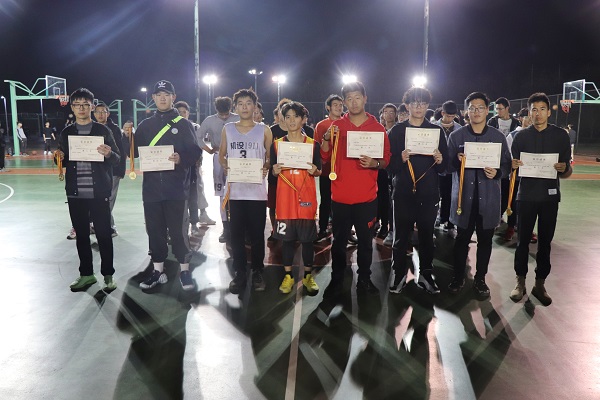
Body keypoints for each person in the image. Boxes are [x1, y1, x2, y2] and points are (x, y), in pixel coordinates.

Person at [127, 80, 201, 291]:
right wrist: (127, 137)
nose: (162, 98)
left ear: (173, 97)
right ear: (153, 98)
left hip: (176, 189)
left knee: (179, 232)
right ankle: (158, 271)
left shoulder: (183, 124)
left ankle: (185, 270)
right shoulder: (145, 125)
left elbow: (195, 152)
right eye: (158, 94)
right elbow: (132, 153)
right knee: (155, 231)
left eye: (166, 94)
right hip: (151, 190)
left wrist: (181, 158)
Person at [320, 81, 391, 295]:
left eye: (357, 97)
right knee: (339, 242)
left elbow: (386, 159)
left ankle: (364, 279)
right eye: (349, 99)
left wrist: (375, 163)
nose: (353, 102)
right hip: (340, 197)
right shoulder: (336, 127)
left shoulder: (377, 128)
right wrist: (325, 139)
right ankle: (337, 279)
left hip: (366, 198)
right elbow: (324, 156)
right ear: (344, 102)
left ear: (365, 99)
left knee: (366, 243)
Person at [446, 92, 512, 298]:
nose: (476, 111)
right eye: (472, 108)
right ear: (466, 111)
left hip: (488, 200)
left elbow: (507, 166)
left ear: (487, 110)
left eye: (480, 107)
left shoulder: (498, 137)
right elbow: (447, 167)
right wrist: (456, 161)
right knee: (461, 240)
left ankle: (480, 279)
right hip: (464, 199)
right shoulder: (456, 137)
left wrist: (498, 173)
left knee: (485, 241)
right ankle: (458, 276)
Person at [509, 92, 572, 306]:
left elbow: (567, 170)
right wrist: (513, 166)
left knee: (545, 243)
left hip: (549, 198)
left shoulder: (560, 136)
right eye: (534, 109)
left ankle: (540, 283)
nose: (538, 113)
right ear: (529, 112)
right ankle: (520, 282)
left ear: (548, 112)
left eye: (542, 109)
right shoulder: (520, 137)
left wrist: (564, 168)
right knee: (522, 242)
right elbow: (512, 168)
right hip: (525, 196)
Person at [56, 88, 120, 292]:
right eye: (77, 105)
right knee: (82, 236)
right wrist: (58, 157)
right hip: (75, 193)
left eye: (85, 104)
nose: (81, 108)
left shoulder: (103, 131)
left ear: (92, 107)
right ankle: (86, 274)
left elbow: (117, 158)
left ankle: (108, 275)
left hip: (99, 192)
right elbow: (62, 160)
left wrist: (109, 153)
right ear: (72, 107)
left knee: (104, 235)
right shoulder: (67, 132)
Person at [387, 86, 447, 294]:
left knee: (427, 236)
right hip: (403, 193)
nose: (419, 107)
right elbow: (389, 167)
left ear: (427, 105)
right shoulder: (397, 131)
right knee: (400, 238)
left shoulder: (436, 131)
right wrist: (399, 159)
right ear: (407, 106)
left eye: (422, 103)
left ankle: (426, 274)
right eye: (414, 103)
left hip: (428, 194)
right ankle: (399, 274)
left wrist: (440, 160)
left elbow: (444, 168)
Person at [219, 88, 273, 294]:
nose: (244, 107)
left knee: (258, 235)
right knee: (236, 236)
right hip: (235, 192)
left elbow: (269, 157)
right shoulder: (228, 129)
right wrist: (225, 166)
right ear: (235, 107)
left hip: (257, 192)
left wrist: (266, 166)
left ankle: (258, 270)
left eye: (248, 103)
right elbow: (221, 155)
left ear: (255, 106)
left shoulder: (264, 130)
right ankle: (240, 272)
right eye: (240, 103)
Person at [271, 101, 321, 294]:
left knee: (307, 241)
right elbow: (272, 174)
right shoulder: (277, 145)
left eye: (296, 116)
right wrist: (274, 171)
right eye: (288, 117)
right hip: (285, 201)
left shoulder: (313, 145)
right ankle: (288, 276)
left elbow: (319, 171)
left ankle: (308, 275)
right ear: (283, 120)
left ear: (303, 119)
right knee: (287, 241)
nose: (292, 120)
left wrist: (316, 171)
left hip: (306, 198)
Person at [197, 97, 240, 242]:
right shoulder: (209, 120)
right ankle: (226, 228)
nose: (224, 117)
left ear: (231, 108)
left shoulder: (237, 118)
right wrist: (209, 150)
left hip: (236, 157)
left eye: (227, 114)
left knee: (238, 192)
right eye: (221, 114)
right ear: (216, 110)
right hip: (218, 157)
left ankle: (238, 227)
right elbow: (198, 137)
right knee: (222, 193)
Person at [175, 100, 216, 234]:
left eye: (184, 112)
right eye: (179, 112)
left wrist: (199, 157)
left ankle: (197, 220)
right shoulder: (170, 128)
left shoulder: (194, 127)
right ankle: (179, 224)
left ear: (188, 113)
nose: (182, 114)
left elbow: (198, 145)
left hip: (192, 166)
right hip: (176, 167)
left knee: (196, 191)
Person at [313, 94, 344, 241]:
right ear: (328, 107)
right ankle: (323, 228)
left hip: (344, 171)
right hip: (327, 170)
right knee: (325, 200)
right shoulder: (321, 125)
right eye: (335, 105)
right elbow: (316, 147)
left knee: (343, 201)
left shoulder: (347, 123)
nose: (338, 107)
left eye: (340, 105)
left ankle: (345, 231)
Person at [94, 102, 126, 237]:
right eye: (98, 112)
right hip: (97, 170)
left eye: (103, 111)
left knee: (108, 199)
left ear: (108, 113)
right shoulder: (91, 128)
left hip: (113, 170)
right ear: (94, 114)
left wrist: (120, 169)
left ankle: (109, 227)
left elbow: (121, 151)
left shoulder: (114, 129)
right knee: (100, 199)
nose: (101, 114)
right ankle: (104, 225)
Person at [488, 97, 520, 226]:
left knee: (510, 192)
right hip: (495, 160)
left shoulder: (516, 123)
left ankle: (511, 222)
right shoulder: (492, 121)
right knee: (496, 191)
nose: (498, 111)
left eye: (500, 109)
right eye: (496, 109)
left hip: (510, 161)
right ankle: (496, 217)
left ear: (507, 108)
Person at [434, 100, 462, 234]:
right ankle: (437, 218)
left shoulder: (459, 128)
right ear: (442, 113)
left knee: (451, 195)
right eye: (448, 115)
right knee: (436, 195)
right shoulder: (433, 127)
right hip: (436, 167)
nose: (450, 118)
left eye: (453, 116)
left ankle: (450, 222)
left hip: (453, 168)